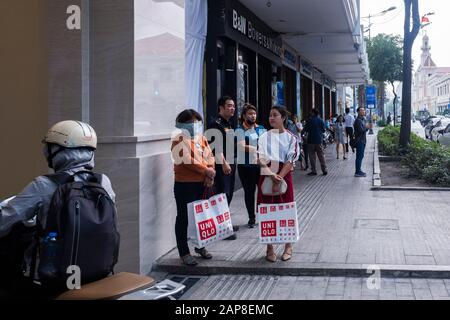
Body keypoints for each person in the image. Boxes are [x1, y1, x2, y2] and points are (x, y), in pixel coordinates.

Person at [0, 120, 116, 297]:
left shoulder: (43, 185)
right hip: (97, 271)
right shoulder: (102, 182)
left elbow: (5, 220)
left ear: (57, 151)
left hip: (53, 278)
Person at [171, 109, 215, 266]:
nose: (194, 125)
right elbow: (186, 160)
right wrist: (207, 170)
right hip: (185, 185)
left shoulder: (201, 138)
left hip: (202, 183)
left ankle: (200, 246)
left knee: (201, 217)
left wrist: (210, 174)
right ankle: (184, 252)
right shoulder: (178, 139)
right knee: (183, 218)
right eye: (190, 122)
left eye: (196, 122)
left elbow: (210, 156)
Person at [257, 106, 299, 263]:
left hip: (284, 175)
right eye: (270, 115)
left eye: (275, 115)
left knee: (286, 209)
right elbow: (259, 158)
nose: (271, 118)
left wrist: (279, 177)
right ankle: (269, 247)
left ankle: (288, 246)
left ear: (283, 118)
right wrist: (270, 174)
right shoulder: (263, 137)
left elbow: (291, 160)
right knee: (267, 211)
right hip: (266, 174)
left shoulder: (291, 138)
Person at [208, 96, 239, 240]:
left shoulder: (229, 123)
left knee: (229, 194)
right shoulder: (215, 124)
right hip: (222, 165)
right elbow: (215, 147)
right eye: (229, 106)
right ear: (221, 107)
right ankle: (222, 228)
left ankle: (226, 222)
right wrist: (224, 163)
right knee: (222, 195)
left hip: (231, 163)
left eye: (233, 106)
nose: (232, 108)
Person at [236, 104, 265, 228]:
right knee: (249, 192)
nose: (253, 116)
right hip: (246, 167)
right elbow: (241, 146)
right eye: (249, 114)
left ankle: (264, 216)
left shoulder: (261, 128)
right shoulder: (239, 130)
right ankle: (251, 218)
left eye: (254, 114)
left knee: (263, 191)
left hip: (260, 166)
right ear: (243, 116)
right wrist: (258, 149)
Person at [304, 109, 328, 176]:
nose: (310, 113)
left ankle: (314, 171)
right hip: (319, 140)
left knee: (312, 156)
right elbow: (323, 130)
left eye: (311, 112)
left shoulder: (309, 120)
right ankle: (324, 170)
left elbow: (306, 130)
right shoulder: (321, 120)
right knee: (321, 155)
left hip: (311, 140)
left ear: (313, 113)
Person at [354, 107, 370, 177]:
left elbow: (365, 128)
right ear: (358, 112)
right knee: (359, 156)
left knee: (361, 156)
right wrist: (367, 127)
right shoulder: (358, 121)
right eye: (362, 110)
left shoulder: (362, 120)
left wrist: (366, 127)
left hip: (362, 140)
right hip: (359, 141)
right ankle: (357, 172)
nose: (363, 111)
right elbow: (361, 130)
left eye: (364, 110)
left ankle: (359, 170)